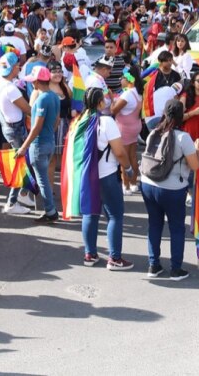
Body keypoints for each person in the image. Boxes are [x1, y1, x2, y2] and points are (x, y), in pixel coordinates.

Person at [138, 100, 199, 280]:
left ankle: (153, 265)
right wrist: (197, 151)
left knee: (155, 224)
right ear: (182, 115)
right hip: (172, 188)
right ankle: (176, 269)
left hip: (148, 183)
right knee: (176, 228)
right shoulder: (183, 137)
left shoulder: (154, 133)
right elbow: (194, 165)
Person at [78, 87, 135, 270]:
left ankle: (90, 254)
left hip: (86, 175)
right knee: (115, 216)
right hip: (107, 174)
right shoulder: (106, 122)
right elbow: (119, 151)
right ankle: (115, 259)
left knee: (90, 213)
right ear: (100, 102)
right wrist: (127, 168)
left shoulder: (79, 121)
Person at [14, 66, 60, 223]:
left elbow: (36, 126)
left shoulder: (42, 99)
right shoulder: (53, 96)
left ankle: (51, 211)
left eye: (33, 81)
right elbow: (57, 120)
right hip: (49, 142)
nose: (32, 83)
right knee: (44, 178)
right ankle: (50, 210)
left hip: (39, 145)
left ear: (38, 81)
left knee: (42, 180)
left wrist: (23, 147)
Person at [0, 52, 35, 215]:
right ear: (12, 68)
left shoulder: (0, 83)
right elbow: (27, 109)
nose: (19, 67)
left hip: (8, 126)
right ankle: (12, 202)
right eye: (17, 65)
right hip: (15, 128)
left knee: (22, 163)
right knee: (21, 165)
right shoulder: (10, 88)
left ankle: (22, 195)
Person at [110, 69, 142, 194]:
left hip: (124, 128)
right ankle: (134, 183)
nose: (120, 80)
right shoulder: (138, 92)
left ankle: (126, 185)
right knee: (133, 156)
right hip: (135, 126)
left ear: (128, 79)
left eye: (122, 78)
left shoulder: (127, 94)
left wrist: (112, 99)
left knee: (124, 157)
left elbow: (113, 110)